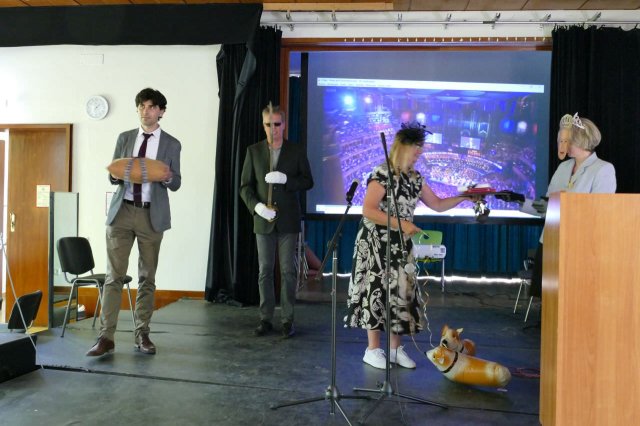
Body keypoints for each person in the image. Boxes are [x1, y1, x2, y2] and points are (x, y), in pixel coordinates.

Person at [344, 122, 473, 369]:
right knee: (376, 291)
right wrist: (401, 223)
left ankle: (395, 349)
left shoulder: (416, 178)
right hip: (376, 242)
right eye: (416, 147)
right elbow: (368, 210)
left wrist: (465, 197)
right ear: (403, 147)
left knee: (401, 293)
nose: (419, 152)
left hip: (400, 244)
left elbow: (437, 204)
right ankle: (372, 349)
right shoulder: (382, 173)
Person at [87, 88, 182, 356]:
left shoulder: (172, 144)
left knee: (146, 277)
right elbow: (114, 174)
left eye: (151, 107)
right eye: (141, 106)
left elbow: (176, 181)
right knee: (113, 277)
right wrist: (115, 176)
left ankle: (142, 334)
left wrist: (167, 177)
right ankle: (106, 337)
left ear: (161, 111)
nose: (145, 111)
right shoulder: (125, 137)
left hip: (152, 215)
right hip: (122, 212)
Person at [240, 105, 313, 338]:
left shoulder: (296, 150)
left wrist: (286, 180)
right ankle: (265, 318)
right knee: (264, 271)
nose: (273, 129)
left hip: (288, 220)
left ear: (284, 125)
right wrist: (258, 208)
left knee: (288, 271)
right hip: (263, 221)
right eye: (268, 125)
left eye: (277, 124)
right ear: (263, 126)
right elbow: (245, 187)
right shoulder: (253, 151)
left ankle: (287, 319)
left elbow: (308, 181)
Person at [529, 112, 616, 300]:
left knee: (572, 300)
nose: (562, 145)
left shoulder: (603, 169)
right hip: (551, 241)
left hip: (579, 246)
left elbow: (601, 213)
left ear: (580, 140)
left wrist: (568, 200)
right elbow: (547, 205)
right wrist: (520, 203)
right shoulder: (563, 167)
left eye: (566, 140)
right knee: (549, 300)